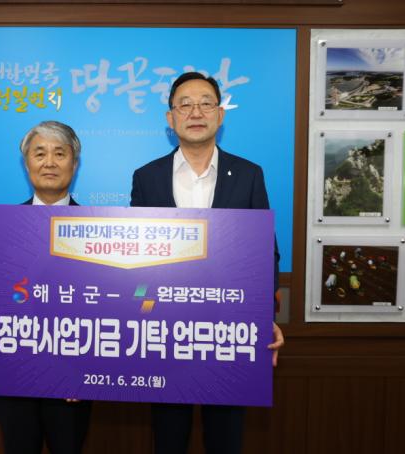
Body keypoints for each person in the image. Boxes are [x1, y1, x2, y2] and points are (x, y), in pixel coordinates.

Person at [130, 72, 285, 454]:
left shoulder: (249, 174)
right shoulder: (146, 177)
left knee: (225, 439)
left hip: (229, 332)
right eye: (185, 104)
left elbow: (264, 252)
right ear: (170, 118)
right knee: (168, 439)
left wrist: (263, 318)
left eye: (205, 103)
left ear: (220, 114)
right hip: (165, 334)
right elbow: (137, 257)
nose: (195, 112)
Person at [0, 121, 91, 454]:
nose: (49, 162)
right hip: (16, 373)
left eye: (59, 153)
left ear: (74, 163)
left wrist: (86, 370)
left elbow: (108, 306)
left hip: (71, 379)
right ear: (27, 164)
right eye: (40, 154)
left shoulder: (97, 227)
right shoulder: (4, 227)